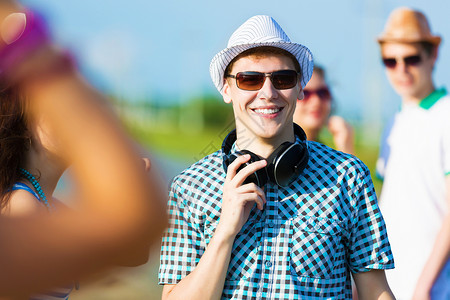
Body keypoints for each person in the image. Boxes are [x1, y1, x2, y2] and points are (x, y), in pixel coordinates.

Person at [159, 15, 395, 299]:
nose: (268, 93)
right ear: (226, 88)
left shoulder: (348, 176)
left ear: (299, 88)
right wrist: (224, 231)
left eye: (283, 78)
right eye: (250, 80)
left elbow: (376, 292)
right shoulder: (189, 187)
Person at [0, 2, 167, 298]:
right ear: (25, 120)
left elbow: (133, 253)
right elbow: (131, 223)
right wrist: (30, 42)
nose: (79, 119)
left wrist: (123, 182)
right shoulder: (23, 204)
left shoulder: (45, 202)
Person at [376, 7, 450, 300]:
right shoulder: (395, 120)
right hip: (391, 285)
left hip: (432, 289)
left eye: (411, 59)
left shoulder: (446, 115)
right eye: (390, 61)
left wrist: (425, 286)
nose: (401, 69)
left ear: (433, 55)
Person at [293, 65, 354, 154]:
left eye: (322, 93)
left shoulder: (323, 154)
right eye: (305, 94)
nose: (316, 101)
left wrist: (345, 147)